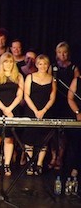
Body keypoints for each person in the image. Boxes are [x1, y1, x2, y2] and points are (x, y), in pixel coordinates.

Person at [0, 52, 24, 177]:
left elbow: (20, 95)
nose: (8, 64)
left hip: (13, 110)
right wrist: (4, 109)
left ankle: (7, 164)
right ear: (1, 63)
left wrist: (10, 109)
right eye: (5, 62)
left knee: (9, 138)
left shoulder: (18, 76)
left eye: (10, 62)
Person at [23, 55, 56, 176]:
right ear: (36, 65)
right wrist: (36, 111)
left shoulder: (52, 79)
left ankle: (39, 164)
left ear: (48, 65)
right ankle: (30, 163)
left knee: (43, 139)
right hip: (31, 110)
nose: (43, 66)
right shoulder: (30, 77)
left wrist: (44, 110)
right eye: (40, 64)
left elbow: (52, 97)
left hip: (45, 111)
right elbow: (26, 95)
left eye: (45, 64)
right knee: (29, 138)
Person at [48, 42, 79, 170]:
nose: (62, 54)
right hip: (55, 101)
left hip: (68, 102)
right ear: (56, 54)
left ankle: (60, 157)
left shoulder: (73, 68)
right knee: (53, 131)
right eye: (60, 52)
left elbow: (77, 83)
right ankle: (53, 156)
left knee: (63, 132)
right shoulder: (53, 67)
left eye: (65, 52)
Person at [67, 73, 81, 178]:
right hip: (79, 115)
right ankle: (75, 168)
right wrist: (77, 112)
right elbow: (70, 98)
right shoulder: (77, 80)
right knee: (77, 143)